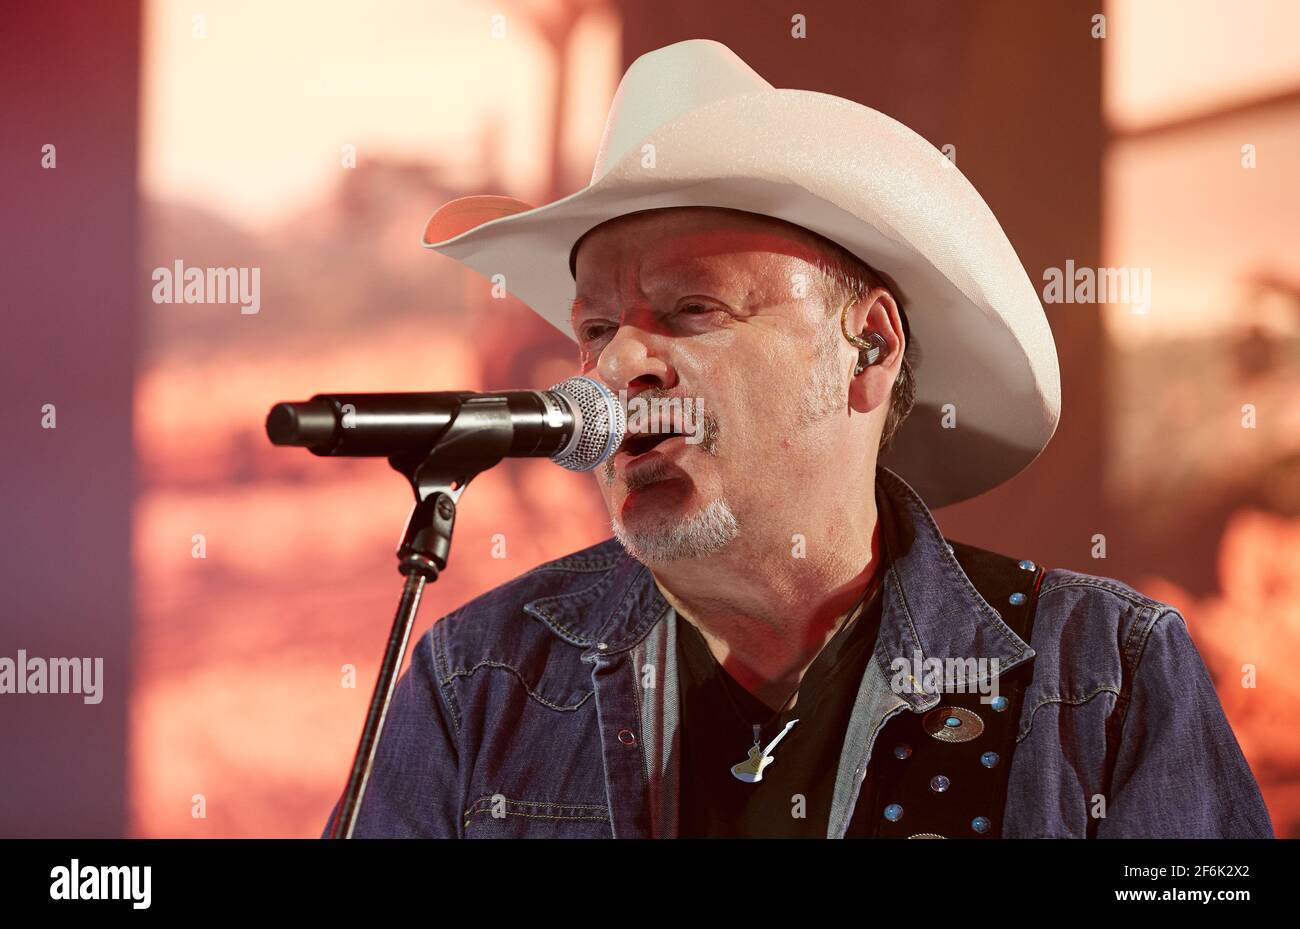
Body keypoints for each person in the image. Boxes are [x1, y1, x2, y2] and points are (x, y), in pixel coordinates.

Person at [323, 39, 1272, 839]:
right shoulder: (477, 679)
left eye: (693, 309)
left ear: (871, 347)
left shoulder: (1107, 674)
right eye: (598, 329)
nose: (616, 371)